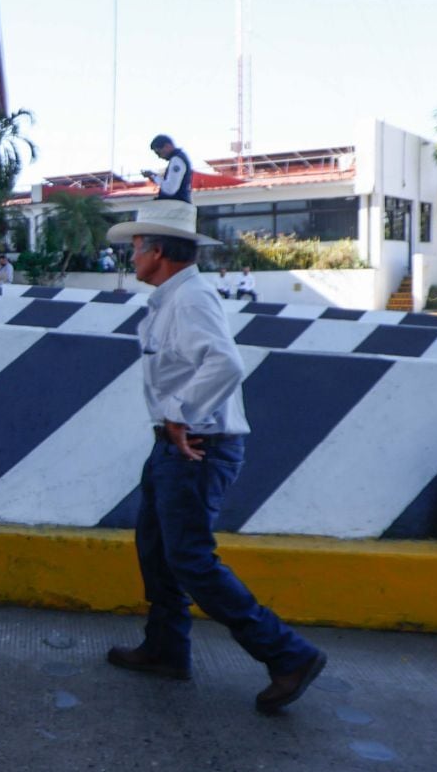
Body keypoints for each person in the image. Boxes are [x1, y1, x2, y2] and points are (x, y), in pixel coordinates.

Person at [103, 200, 327, 713]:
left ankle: (288, 654)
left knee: (190, 559)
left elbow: (225, 363)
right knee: (157, 550)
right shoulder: (173, 298)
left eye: (136, 248)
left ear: (157, 252)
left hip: (196, 447)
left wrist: (179, 414)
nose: (131, 257)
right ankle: (166, 647)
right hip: (177, 445)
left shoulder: (190, 299)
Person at [145, 134, 194, 202]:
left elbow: (170, 189)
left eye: (158, 153)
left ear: (167, 146)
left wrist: (154, 176)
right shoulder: (180, 158)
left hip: (176, 204)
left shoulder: (176, 160)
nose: (159, 157)